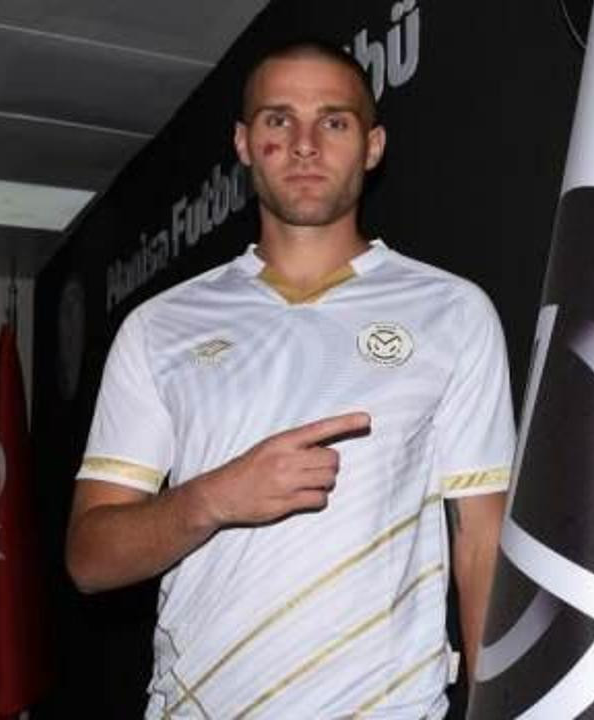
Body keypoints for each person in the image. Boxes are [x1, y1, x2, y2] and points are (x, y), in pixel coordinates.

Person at [66, 39, 515, 719]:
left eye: (333, 121)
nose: (305, 145)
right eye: (279, 120)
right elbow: (90, 559)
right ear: (244, 143)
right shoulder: (159, 326)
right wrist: (213, 498)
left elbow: (482, 544)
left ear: (372, 146)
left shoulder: (453, 311)